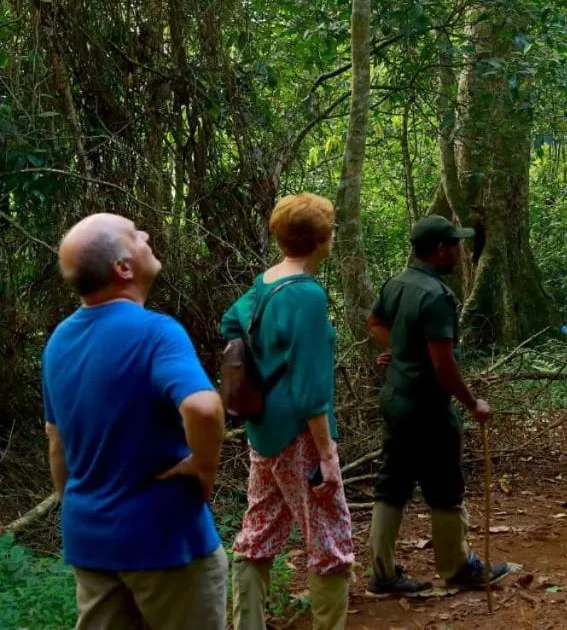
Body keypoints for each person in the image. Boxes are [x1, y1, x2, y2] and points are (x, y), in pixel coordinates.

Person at [43, 213, 228, 630]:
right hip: (166, 541)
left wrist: (79, 507)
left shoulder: (58, 342)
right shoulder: (157, 333)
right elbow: (203, 407)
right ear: (122, 268)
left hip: (91, 544)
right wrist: (203, 467)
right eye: (135, 234)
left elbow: (56, 441)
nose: (145, 235)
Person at [221, 193, 353, 630]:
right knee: (329, 539)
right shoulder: (307, 296)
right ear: (320, 239)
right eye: (329, 230)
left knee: (257, 530)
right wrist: (328, 454)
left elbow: (230, 325)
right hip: (300, 433)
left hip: (262, 430)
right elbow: (312, 388)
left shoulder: (263, 284)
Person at [365, 214, 510, 594]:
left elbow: (375, 322)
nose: (460, 253)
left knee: (391, 482)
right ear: (440, 250)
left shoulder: (396, 283)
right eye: (456, 246)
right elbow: (443, 365)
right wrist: (473, 402)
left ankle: (381, 572)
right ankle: (457, 566)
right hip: (426, 405)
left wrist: (398, 353)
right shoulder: (437, 297)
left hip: (395, 398)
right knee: (445, 485)